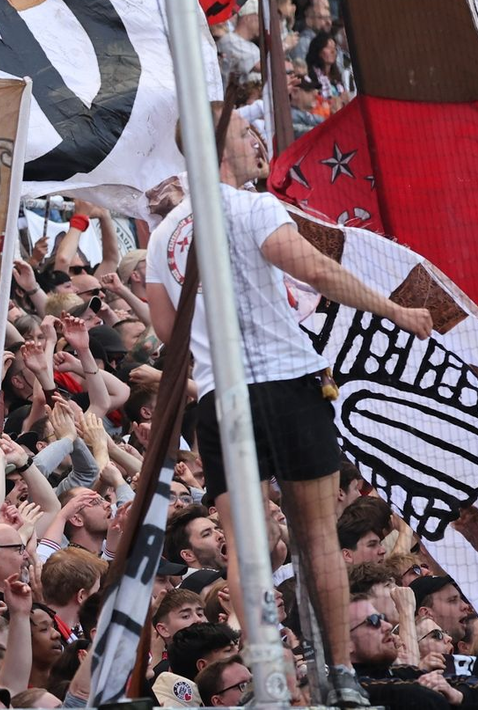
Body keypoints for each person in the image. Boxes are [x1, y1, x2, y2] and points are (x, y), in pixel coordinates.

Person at [147, 105, 433, 706]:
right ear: (221, 148)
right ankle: (340, 672)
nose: (258, 144)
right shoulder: (253, 207)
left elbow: (170, 336)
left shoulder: (163, 233)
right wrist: (394, 310)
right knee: (316, 537)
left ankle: (263, 676)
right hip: (284, 384)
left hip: (222, 401)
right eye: (248, 135)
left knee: (245, 546)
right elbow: (313, 269)